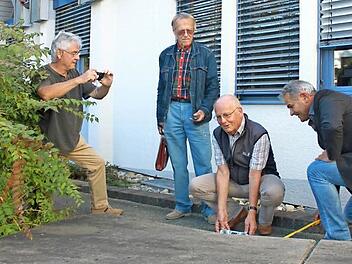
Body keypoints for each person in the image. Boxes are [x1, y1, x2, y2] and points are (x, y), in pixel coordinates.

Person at [37, 31, 123, 216]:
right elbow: (45, 94)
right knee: (45, 179)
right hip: (48, 141)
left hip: (72, 138)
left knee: (97, 164)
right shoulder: (44, 73)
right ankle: (40, 213)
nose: (77, 57)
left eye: (78, 53)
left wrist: (106, 85)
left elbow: (96, 94)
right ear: (60, 53)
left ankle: (100, 208)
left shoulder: (74, 73)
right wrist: (79, 79)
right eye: (74, 53)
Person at [156, 13, 220, 223]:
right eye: (181, 30)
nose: (185, 34)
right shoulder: (165, 55)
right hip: (172, 110)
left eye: (189, 30)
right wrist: (160, 117)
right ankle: (182, 205)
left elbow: (213, 88)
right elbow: (161, 89)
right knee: (178, 163)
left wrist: (205, 109)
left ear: (195, 29)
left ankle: (210, 210)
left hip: (196, 113)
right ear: (174, 31)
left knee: (203, 164)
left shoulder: (206, 54)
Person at [190, 95, 285, 235]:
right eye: (219, 117)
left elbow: (255, 174)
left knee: (274, 192)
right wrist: (222, 211)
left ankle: (264, 222)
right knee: (196, 186)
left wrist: (252, 212)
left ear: (240, 111)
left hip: (259, 181)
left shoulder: (258, 134)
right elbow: (223, 172)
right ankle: (237, 214)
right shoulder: (217, 134)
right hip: (234, 181)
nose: (223, 121)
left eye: (227, 115)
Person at [281, 80, 352, 240]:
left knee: (315, 170)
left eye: (290, 106)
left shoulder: (327, 100)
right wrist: (326, 203)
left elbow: (332, 127)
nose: (291, 113)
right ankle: (341, 231)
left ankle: (338, 237)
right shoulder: (323, 109)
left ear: (305, 96)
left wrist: (331, 153)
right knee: (345, 217)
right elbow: (335, 166)